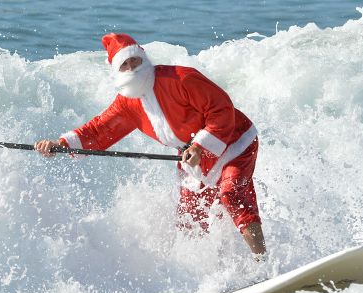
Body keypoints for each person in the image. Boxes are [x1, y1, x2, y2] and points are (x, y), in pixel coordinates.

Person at [35, 33, 266, 259]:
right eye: (124, 64)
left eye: (134, 59)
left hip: (235, 140)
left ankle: (262, 264)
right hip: (192, 156)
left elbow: (221, 108)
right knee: (190, 216)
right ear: (117, 72)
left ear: (143, 58)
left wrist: (200, 147)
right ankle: (207, 275)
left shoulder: (181, 78)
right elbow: (98, 131)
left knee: (231, 193)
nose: (132, 67)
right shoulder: (127, 104)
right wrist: (61, 144)